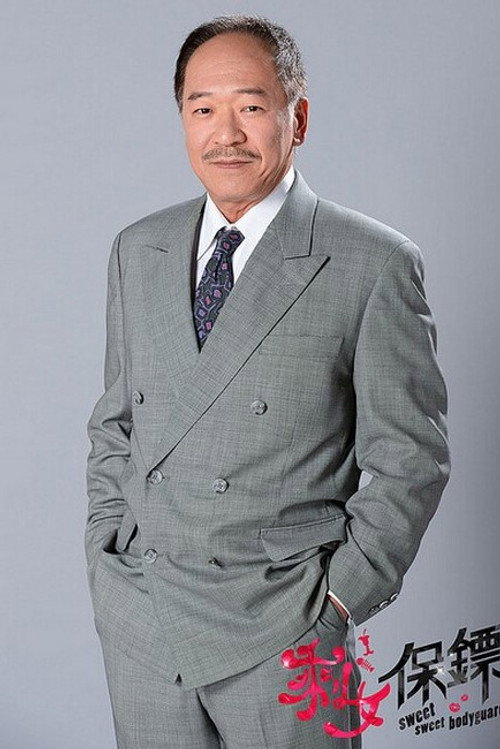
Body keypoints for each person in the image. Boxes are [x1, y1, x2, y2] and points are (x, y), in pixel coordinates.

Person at [85, 14, 450, 749]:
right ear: (183, 119)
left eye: (251, 106)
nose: (226, 134)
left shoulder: (372, 261)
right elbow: (117, 424)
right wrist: (107, 552)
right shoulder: (139, 249)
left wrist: (337, 602)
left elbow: (412, 459)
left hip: (284, 624)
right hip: (145, 621)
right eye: (202, 109)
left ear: (297, 118)